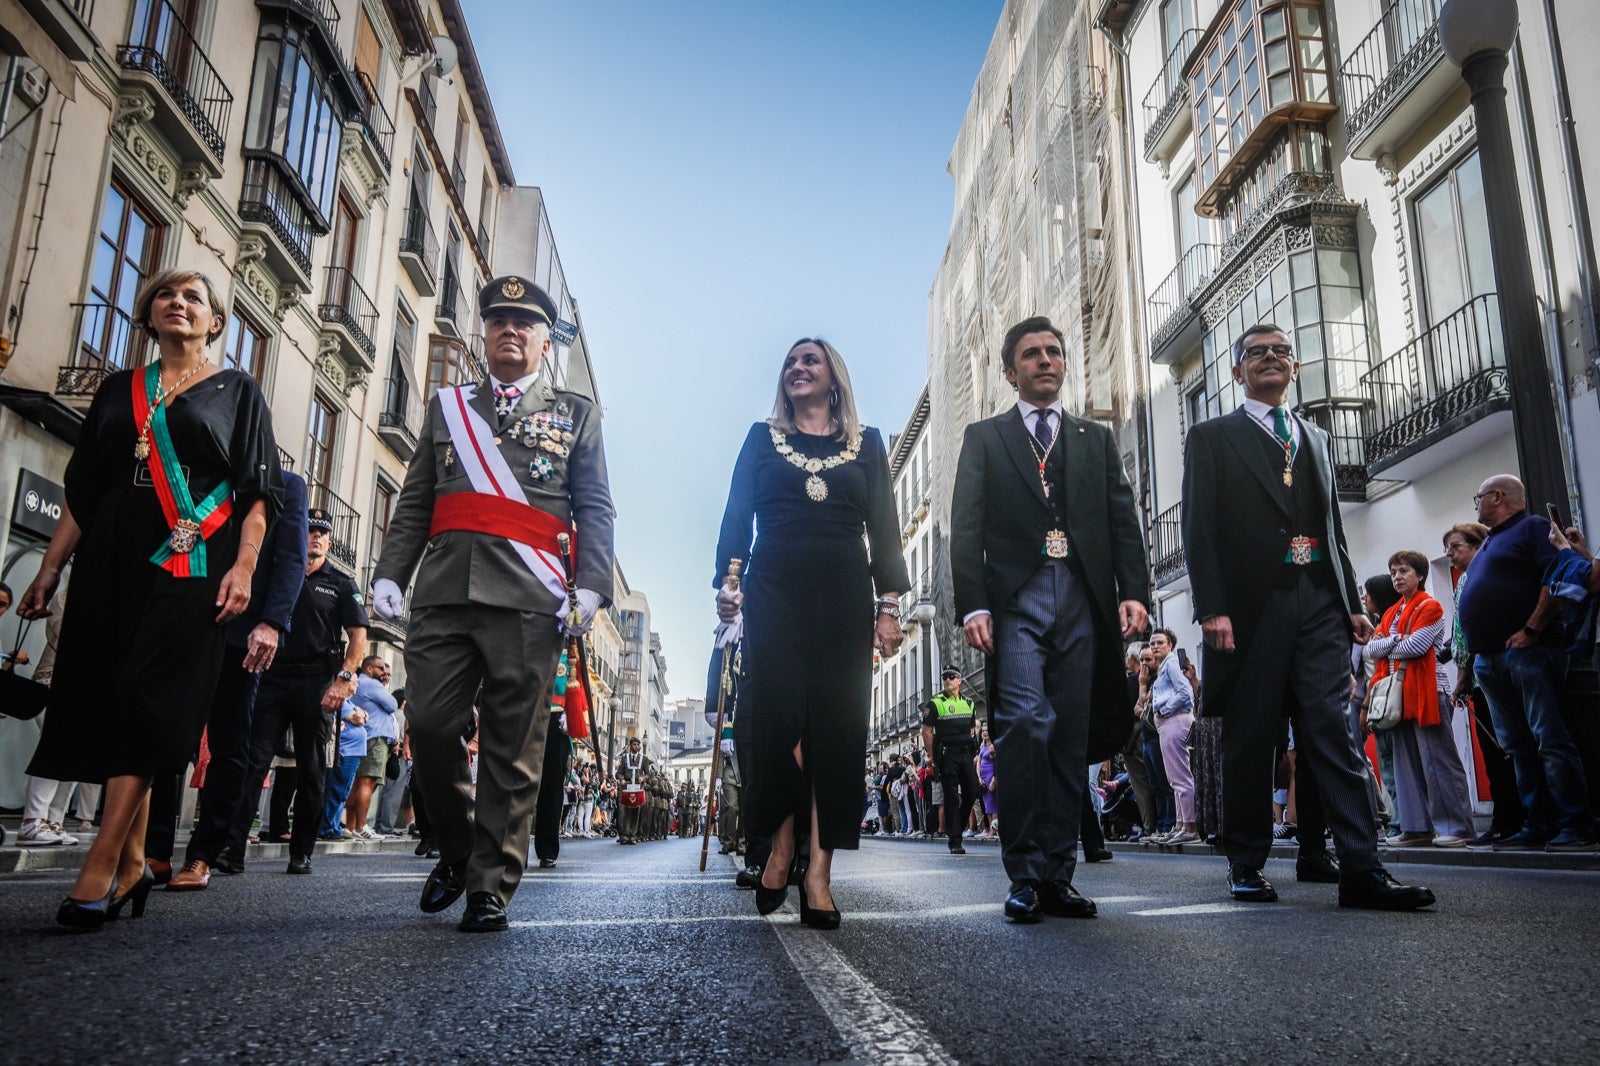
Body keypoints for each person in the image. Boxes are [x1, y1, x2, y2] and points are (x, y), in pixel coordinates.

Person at [16, 268, 283, 929]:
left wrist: (245, 568)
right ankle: (135, 858)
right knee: (105, 695)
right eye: (166, 294)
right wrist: (49, 570)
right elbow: (85, 491)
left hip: (190, 557)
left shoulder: (237, 392)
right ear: (149, 312)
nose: (178, 303)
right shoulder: (117, 390)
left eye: (193, 297)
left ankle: (100, 864)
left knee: (147, 691)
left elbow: (255, 497)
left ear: (216, 322)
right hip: (112, 550)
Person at [371, 275, 616, 932]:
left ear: (543, 341)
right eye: (500, 320)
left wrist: (590, 585)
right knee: (427, 725)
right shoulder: (447, 407)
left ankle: (490, 886)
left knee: (512, 747)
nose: (511, 330)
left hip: (530, 598)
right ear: (486, 332)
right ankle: (457, 852)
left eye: (525, 323)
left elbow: (593, 505)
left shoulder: (576, 415)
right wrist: (392, 571)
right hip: (445, 591)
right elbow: (417, 497)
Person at [1181, 322, 1434, 910]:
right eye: (1256, 353)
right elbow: (1198, 529)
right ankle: (1246, 864)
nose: (1270, 358)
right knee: (1254, 737)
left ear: (1294, 368)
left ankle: (1362, 870)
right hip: (1250, 608)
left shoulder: (1314, 438)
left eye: (1281, 352)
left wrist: (1350, 604)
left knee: (1334, 732)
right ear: (1238, 372)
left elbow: (1333, 529)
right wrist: (1211, 606)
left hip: (1318, 601)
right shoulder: (1213, 436)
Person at [950, 315, 1151, 923]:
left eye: (1054, 352)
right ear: (1011, 371)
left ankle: (1059, 875)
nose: (1046, 361)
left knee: (1068, 735)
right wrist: (974, 604)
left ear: (1064, 364)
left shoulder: (1093, 439)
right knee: (1027, 725)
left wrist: (1133, 591)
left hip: (1085, 600)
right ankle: (1024, 873)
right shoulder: (985, 438)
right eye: (1032, 354)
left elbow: (1123, 519)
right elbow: (965, 528)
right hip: (1017, 604)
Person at [714, 336, 908, 930]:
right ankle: (780, 846)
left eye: (811, 360)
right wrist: (727, 582)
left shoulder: (868, 444)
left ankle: (817, 875)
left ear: (833, 379)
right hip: (774, 593)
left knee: (837, 734)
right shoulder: (760, 438)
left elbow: (885, 526)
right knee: (780, 724)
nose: (798, 368)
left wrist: (889, 606)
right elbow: (735, 513)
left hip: (845, 595)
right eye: (791, 362)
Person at [161, 471, 310, 890]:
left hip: (242, 632)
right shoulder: (194, 472)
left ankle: (203, 854)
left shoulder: (285, 485)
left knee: (230, 744)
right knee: (164, 733)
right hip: (185, 617)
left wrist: (272, 622)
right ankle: (154, 852)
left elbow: (291, 559)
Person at [1456, 475, 1596, 851]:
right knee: (1517, 745)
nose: (1478, 505)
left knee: (1548, 737)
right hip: (1492, 658)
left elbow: (1556, 578)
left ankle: (1576, 823)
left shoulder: (1532, 528)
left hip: (1527, 651)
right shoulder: (1490, 541)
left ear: (1497, 497)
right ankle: (1538, 824)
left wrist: (1531, 629)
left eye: (1479, 497)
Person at [225, 510, 369, 874]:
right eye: (310, 530)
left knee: (311, 769)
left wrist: (344, 678)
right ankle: (233, 849)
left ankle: (301, 851)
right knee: (254, 761)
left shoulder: (340, 582)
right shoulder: (278, 573)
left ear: (330, 542)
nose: (316, 536)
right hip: (271, 677)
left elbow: (358, 636)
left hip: (316, 683)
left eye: (322, 532)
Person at [1361, 550, 1476, 848]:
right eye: (1394, 572)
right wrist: (1397, 642)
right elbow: (1371, 650)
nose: (1398, 577)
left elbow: (1419, 645)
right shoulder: (1391, 613)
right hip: (1399, 694)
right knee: (1405, 763)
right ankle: (1416, 827)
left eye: (1404, 571)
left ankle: (1456, 826)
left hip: (1428, 691)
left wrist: (1390, 643)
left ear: (1420, 575)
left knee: (1438, 761)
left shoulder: (1431, 606)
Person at [1441, 523, 1523, 846]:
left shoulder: (1483, 576)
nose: (1451, 555)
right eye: (1447, 549)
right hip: (1477, 677)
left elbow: (1466, 634)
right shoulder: (1464, 582)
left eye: (1456, 547)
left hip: (1487, 675)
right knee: (1494, 752)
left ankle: (1510, 819)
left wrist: (1462, 677)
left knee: (1503, 749)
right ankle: (1505, 819)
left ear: (1478, 545)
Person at [1142, 628, 1198, 845]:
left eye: (1159, 642)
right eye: (1152, 643)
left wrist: (1164, 710)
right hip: (1169, 722)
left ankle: (1189, 825)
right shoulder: (1166, 665)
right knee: (1175, 777)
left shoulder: (1172, 664)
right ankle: (1181, 824)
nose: (1155, 646)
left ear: (1170, 645)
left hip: (1174, 720)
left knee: (1180, 776)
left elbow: (1185, 693)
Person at [921, 667, 981, 855]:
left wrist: (972, 751)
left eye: (951, 677)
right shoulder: (935, 703)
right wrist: (931, 757)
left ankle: (956, 826)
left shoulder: (970, 703)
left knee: (972, 792)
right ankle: (955, 840)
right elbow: (926, 730)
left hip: (965, 755)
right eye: (944, 677)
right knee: (951, 797)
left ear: (959, 681)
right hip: (947, 755)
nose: (947, 680)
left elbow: (972, 729)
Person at [344, 656, 398, 838]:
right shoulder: (372, 685)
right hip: (375, 739)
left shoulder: (361, 683)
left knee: (357, 784)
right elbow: (392, 705)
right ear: (369, 669)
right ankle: (361, 826)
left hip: (365, 737)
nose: (384, 673)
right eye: (380, 669)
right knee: (367, 783)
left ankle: (350, 827)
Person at [615, 735, 651, 844]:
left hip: (637, 789)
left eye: (637, 745)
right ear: (630, 746)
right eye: (634, 744)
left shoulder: (643, 759)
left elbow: (649, 774)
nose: (636, 746)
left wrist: (643, 777)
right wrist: (621, 778)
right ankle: (624, 835)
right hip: (626, 788)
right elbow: (618, 773)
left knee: (636, 811)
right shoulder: (624, 758)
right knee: (623, 812)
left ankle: (632, 835)